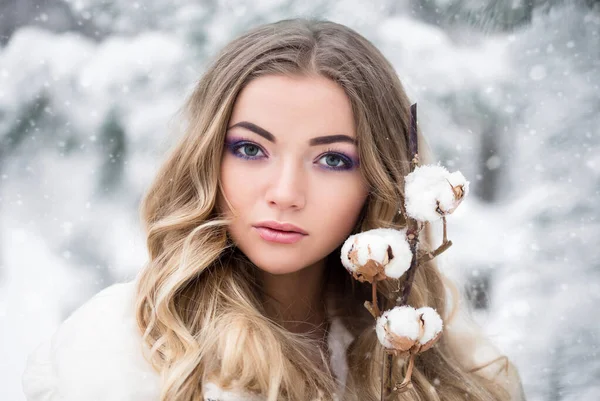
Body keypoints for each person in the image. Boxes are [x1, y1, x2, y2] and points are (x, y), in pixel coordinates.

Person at [22, 18, 526, 401]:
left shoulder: (450, 357)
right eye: (250, 149)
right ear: (207, 156)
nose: (285, 192)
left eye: (332, 159)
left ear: (379, 181)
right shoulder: (118, 348)